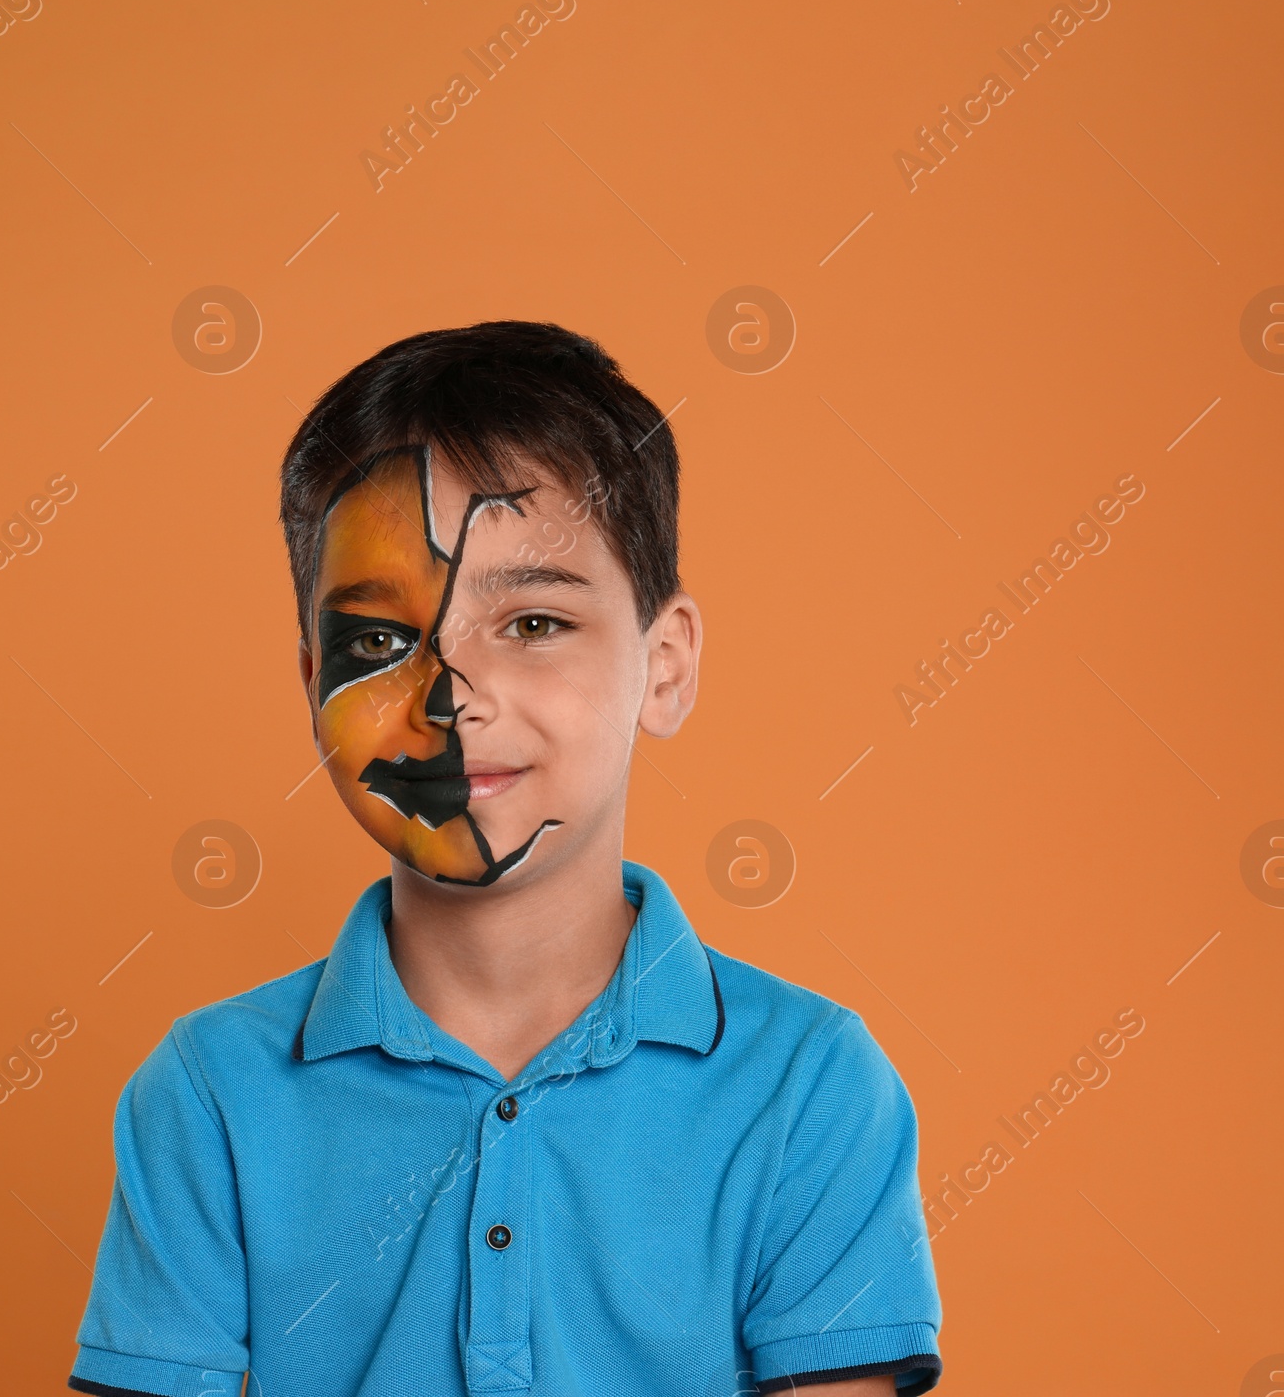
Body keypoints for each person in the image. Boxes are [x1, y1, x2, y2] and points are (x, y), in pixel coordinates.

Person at [67, 321, 942, 1396]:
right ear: (312, 687)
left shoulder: (808, 1085)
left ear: (662, 668)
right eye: (381, 643)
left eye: (531, 621)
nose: (450, 693)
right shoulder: (208, 1093)